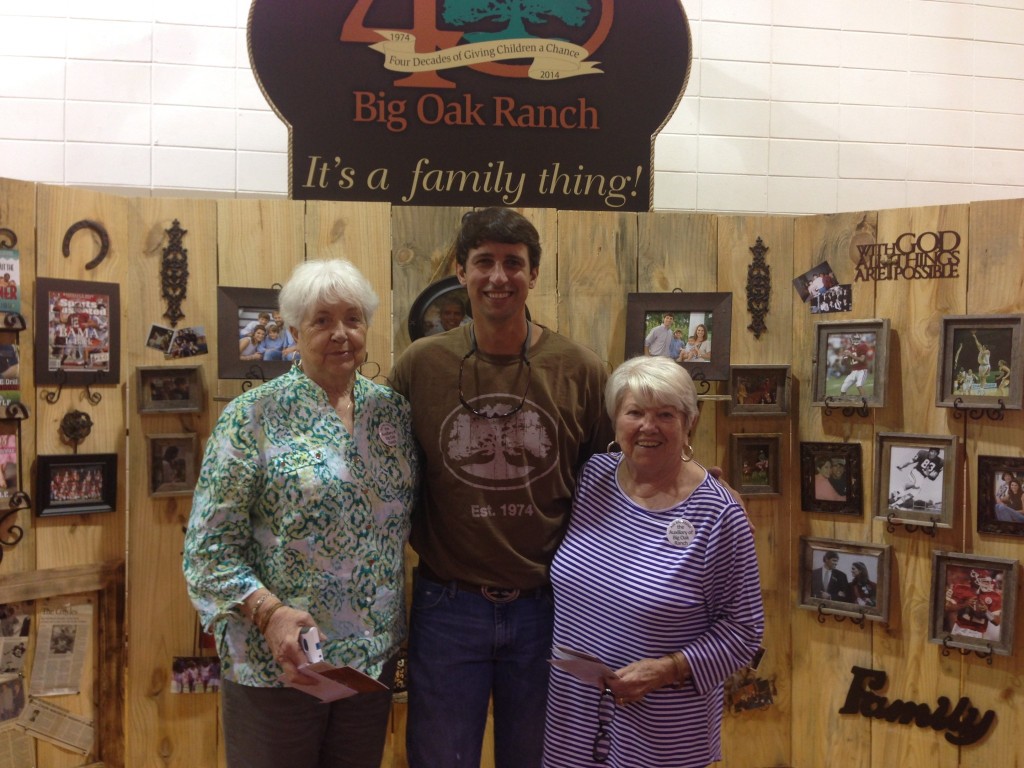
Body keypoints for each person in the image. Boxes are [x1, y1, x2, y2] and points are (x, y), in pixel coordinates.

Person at [390, 207, 612, 768]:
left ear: (533, 275)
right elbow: (383, 470)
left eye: (513, 263)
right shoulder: (420, 366)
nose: (498, 276)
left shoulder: (581, 369)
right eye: (483, 261)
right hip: (447, 605)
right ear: (460, 272)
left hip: (550, 608)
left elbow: (611, 488)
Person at [182, 259, 419, 768]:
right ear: (292, 331)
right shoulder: (253, 416)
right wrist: (269, 612)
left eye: (352, 319)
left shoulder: (392, 413)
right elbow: (207, 550)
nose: (341, 333)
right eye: (321, 320)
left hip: (368, 664)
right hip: (280, 666)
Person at [542, 355, 763, 768]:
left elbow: (744, 630)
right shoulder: (592, 478)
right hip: (574, 716)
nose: (648, 426)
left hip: (663, 728)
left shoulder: (718, 513)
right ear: (615, 420)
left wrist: (665, 669)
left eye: (665, 414)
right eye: (635, 412)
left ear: (689, 422)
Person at [838, 334, 870, 398]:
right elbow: (843, 363)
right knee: (843, 388)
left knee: (859, 385)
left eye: (857, 339)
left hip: (862, 370)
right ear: (851, 340)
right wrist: (844, 357)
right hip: (853, 371)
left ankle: (865, 401)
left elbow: (862, 359)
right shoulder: (848, 349)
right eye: (855, 339)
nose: (856, 341)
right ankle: (842, 401)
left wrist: (850, 355)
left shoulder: (862, 346)